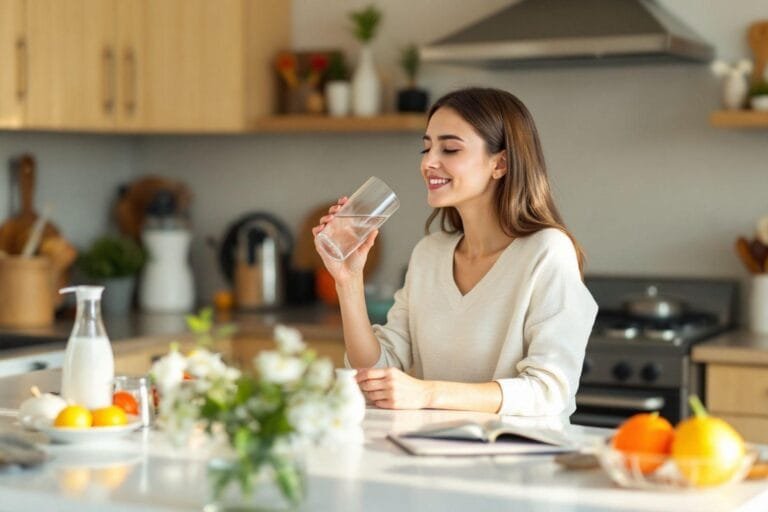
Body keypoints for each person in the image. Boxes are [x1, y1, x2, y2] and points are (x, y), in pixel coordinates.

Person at [312, 87, 597, 416]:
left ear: (500, 163)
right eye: (426, 148)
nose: (429, 163)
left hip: (516, 461)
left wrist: (427, 393)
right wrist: (348, 280)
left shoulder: (547, 251)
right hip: (432, 455)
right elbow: (377, 373)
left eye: (449, 149)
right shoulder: (428, 255)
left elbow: (550, 391)